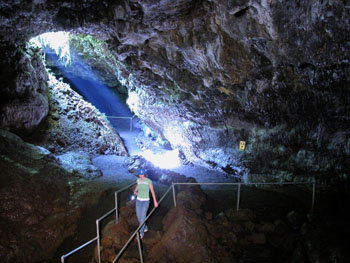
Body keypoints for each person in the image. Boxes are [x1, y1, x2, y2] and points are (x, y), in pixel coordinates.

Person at [133, 168, 158, 239]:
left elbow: (152, 191)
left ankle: (141, 233)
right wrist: (135, 191)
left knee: (143, 216)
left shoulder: (149, 181)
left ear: (144, 174)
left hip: (146, 201)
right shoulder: (138, 180)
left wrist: (155, 201)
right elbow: (137, 186)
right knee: (138, 216)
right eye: (139, 174)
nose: (140, 175)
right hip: (138, 200)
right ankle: (145, 226)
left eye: (141, 174)